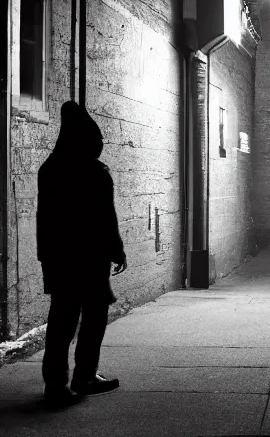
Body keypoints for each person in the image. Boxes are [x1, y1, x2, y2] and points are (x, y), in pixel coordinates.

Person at [37, 101, 127, 408]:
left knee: (62, 319)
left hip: (60, 260)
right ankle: (84, 375)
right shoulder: (94, 172)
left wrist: (45, 257)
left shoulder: (49, 169)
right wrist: (117, 249)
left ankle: (55, 384)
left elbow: (44, 219)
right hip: (90, 259)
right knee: (93, 318)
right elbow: (105, 218)